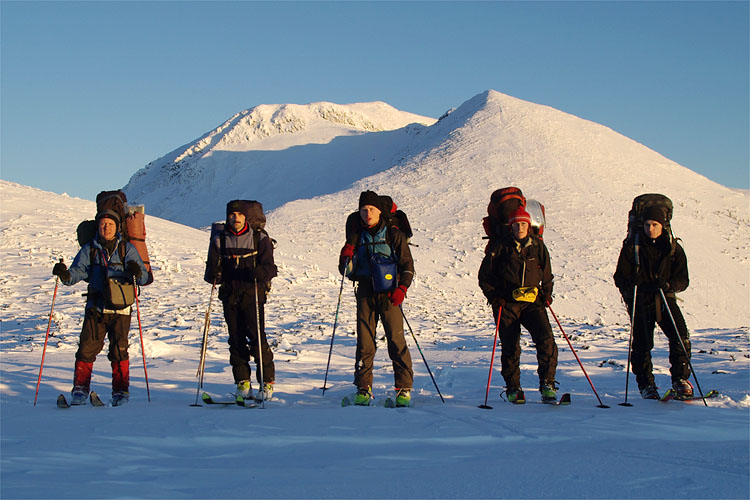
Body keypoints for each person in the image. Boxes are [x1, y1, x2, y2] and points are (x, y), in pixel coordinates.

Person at [52, 209, 149, 405]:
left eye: (110, 224)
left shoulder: (127, 249)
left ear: (117, 227)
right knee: (86, 349)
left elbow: (145, 278)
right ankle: (80, 389)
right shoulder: (90, 249)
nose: (106, 227)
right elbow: (77, 272)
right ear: (98, 226)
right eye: (103, 224)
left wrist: (137, 272)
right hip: (96, 307)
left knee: (119, 350)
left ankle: (121, 391)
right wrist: (65, 275)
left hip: (121, 309)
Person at [339, 191, 415, 406]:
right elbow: (345, 270)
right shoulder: (355, 237)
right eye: (363, 210)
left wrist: (402, 289)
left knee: (396, 340)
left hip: (390, 293)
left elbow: (407, 266)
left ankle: (404, 388)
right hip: (365, 291)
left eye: (371, 209)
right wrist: (346, 261)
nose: (367, 213)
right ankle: (363, 387)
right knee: (364, 342)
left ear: (380, 211)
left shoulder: (394, 235)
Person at [478, 206, 558, 403]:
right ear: (511, 226)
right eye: (516, 224)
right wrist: (495, 297)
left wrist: (546, 294)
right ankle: (513, 388)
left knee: (546, 340)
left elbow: (546, 273)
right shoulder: (500, 247)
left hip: (533, 303)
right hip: (507, 304)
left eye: (523, 224)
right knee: (511, 346)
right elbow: (484, 276)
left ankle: (547, 384)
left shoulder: (538, 247)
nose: (520, 228)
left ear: (529, 226)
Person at [614, 207, 691, 399]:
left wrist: (668, 285)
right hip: (641, 299)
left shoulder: (673, 248)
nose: (650, 229)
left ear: (662, 225)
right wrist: (633, 284)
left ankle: (681, 380)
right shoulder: (632, 247)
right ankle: (646, 385)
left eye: (654, 225)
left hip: (665, 298)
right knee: (642, 344)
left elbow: (683, 280)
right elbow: (619, 277)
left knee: (680, 337)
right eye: (647, 224)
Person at [204, 200, 277, 401]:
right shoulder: (220, 239)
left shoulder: (258, 238)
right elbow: (210, 272)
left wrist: (259, 272)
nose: (235, 218)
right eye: (232, 215)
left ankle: (266, 382)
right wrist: (214, 274)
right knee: (235, 339)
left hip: (253, 294)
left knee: (256, 338)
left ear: (246, 217)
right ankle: (242, 382)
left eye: (239, 214)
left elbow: (271, 268)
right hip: (229, 295)